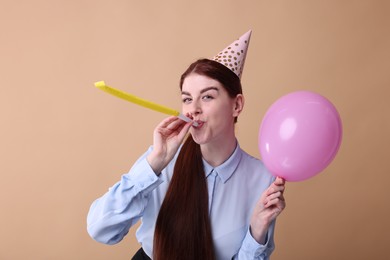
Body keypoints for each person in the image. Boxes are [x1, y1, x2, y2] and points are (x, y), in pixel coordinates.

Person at [87, 30, 286, 260]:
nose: (194, 109)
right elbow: (100, 229)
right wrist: (153, 165)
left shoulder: (263, 178)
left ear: (237, 105)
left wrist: (257, 231)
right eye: (187, 99)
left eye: (207, 97)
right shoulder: (160, 162)